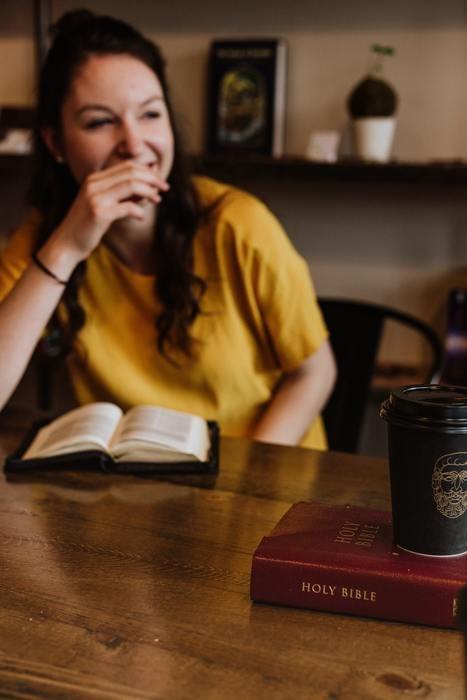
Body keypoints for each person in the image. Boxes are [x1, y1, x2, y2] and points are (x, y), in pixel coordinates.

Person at [0, 10, 336, 449]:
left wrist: (244, 481)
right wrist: (66, 248)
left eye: (151, 114)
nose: (135, 145)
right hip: (139, 491)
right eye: (100, 122)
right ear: (55, 142)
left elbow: (315, 374)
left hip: (264, 478)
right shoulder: (46, 240)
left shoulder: (237, 223)